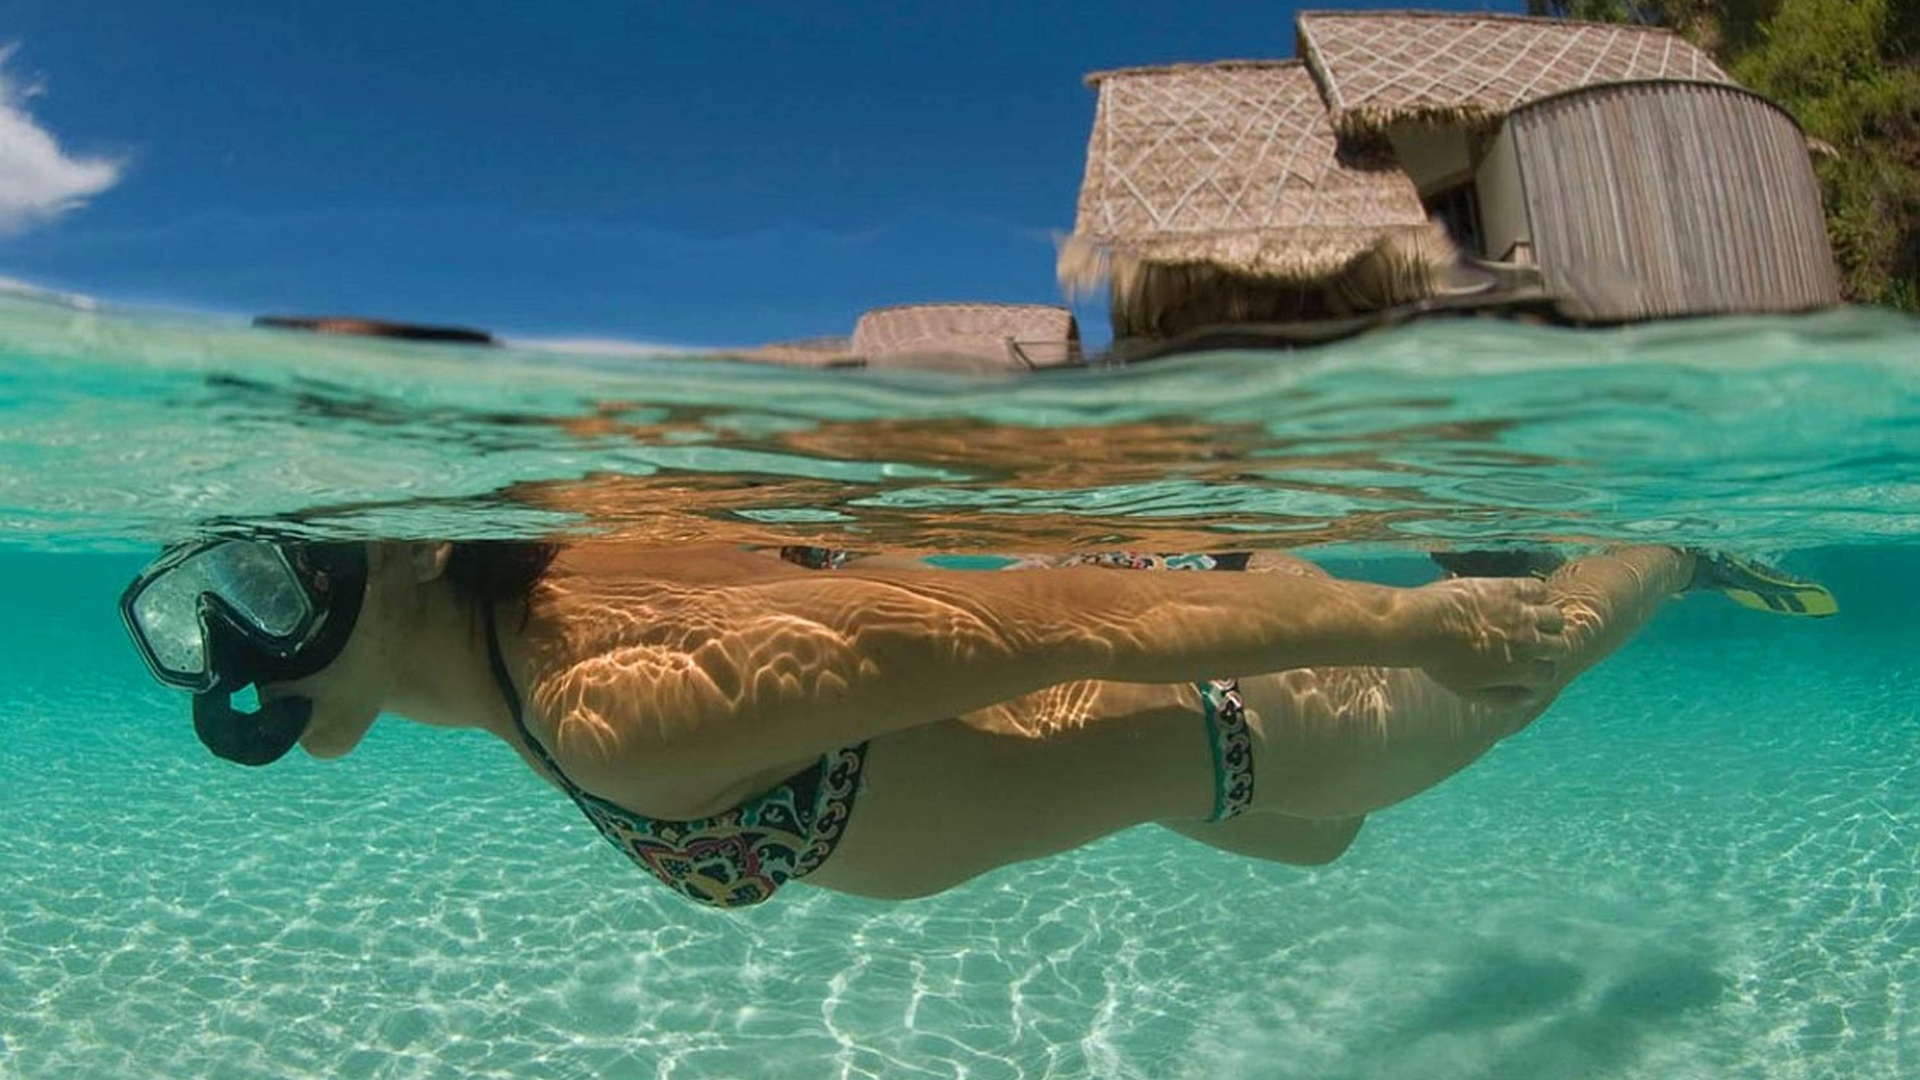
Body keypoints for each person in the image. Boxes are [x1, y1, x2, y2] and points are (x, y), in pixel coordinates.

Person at [118, 538, 1832, 909]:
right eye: (219, 614)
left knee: (1522, 665)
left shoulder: (605, 704)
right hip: (1211, 764)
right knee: (1328, 846)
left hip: (1241, 703)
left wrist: (1398, 621)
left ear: (409, 548)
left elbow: (1031, 629)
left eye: (268, 582)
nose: (243, 646)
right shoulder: (514, 638)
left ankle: (1664, 554)